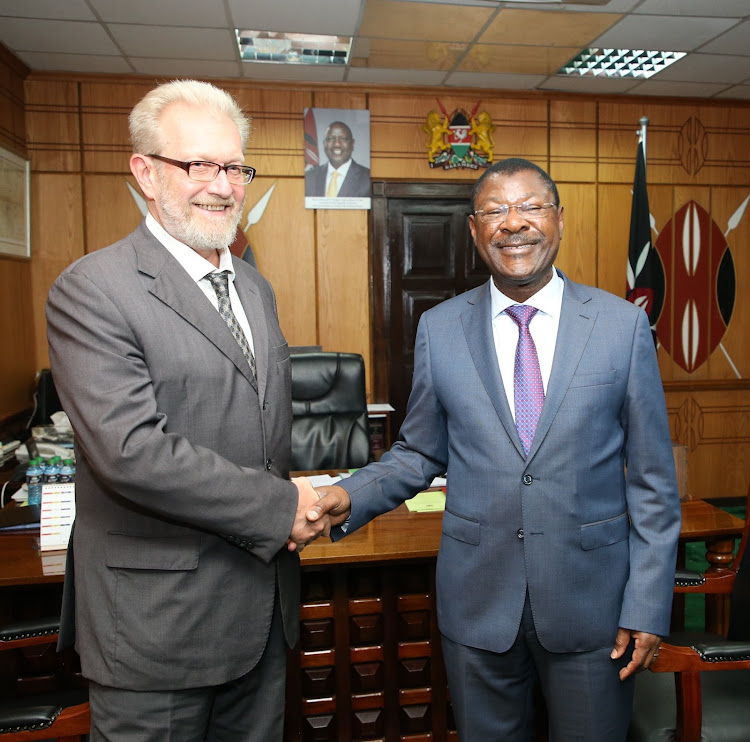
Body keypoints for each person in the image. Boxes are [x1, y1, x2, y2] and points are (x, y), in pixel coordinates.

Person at [308, 158, 682, 741]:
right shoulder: (439, 327)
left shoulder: (621, 326)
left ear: (558, 219)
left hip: (595, 607)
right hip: (479, 604)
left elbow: (654, 482)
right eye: (495, 211)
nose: (514, 223)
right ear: (474, 229)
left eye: (531, 206)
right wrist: (345, 494)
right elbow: (419, 452)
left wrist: (647, 603)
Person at [46, 79, 327, 741]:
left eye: (233, 167)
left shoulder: (254, 287)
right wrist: (281, 507)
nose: (222, 185)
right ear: (145, 172)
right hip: (157, 630)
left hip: (258, 616)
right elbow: (131, 454)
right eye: (197, 164)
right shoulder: (94, 290)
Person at [304, 121, 371, 198]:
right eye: (331, 139)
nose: (337, 144)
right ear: (324, 143)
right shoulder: (309, 177)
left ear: (352, 144)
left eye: (343, 139)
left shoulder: (367, 178)